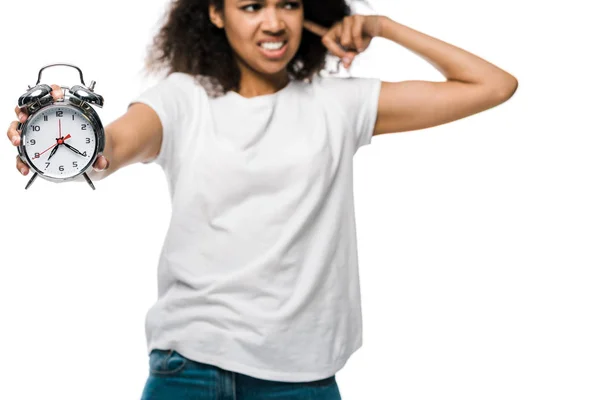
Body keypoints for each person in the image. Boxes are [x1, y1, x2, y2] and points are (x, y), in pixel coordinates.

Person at [7, 0, 518, 398]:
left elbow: (493, 86)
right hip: (191, 368)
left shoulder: (340, 104)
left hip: (305, 377)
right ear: (215, 13)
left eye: (288, 4)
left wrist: (380, 26)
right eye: (251, 6)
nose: (273, 23)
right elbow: (112, 146)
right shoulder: (183, 99)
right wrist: (64, 137)